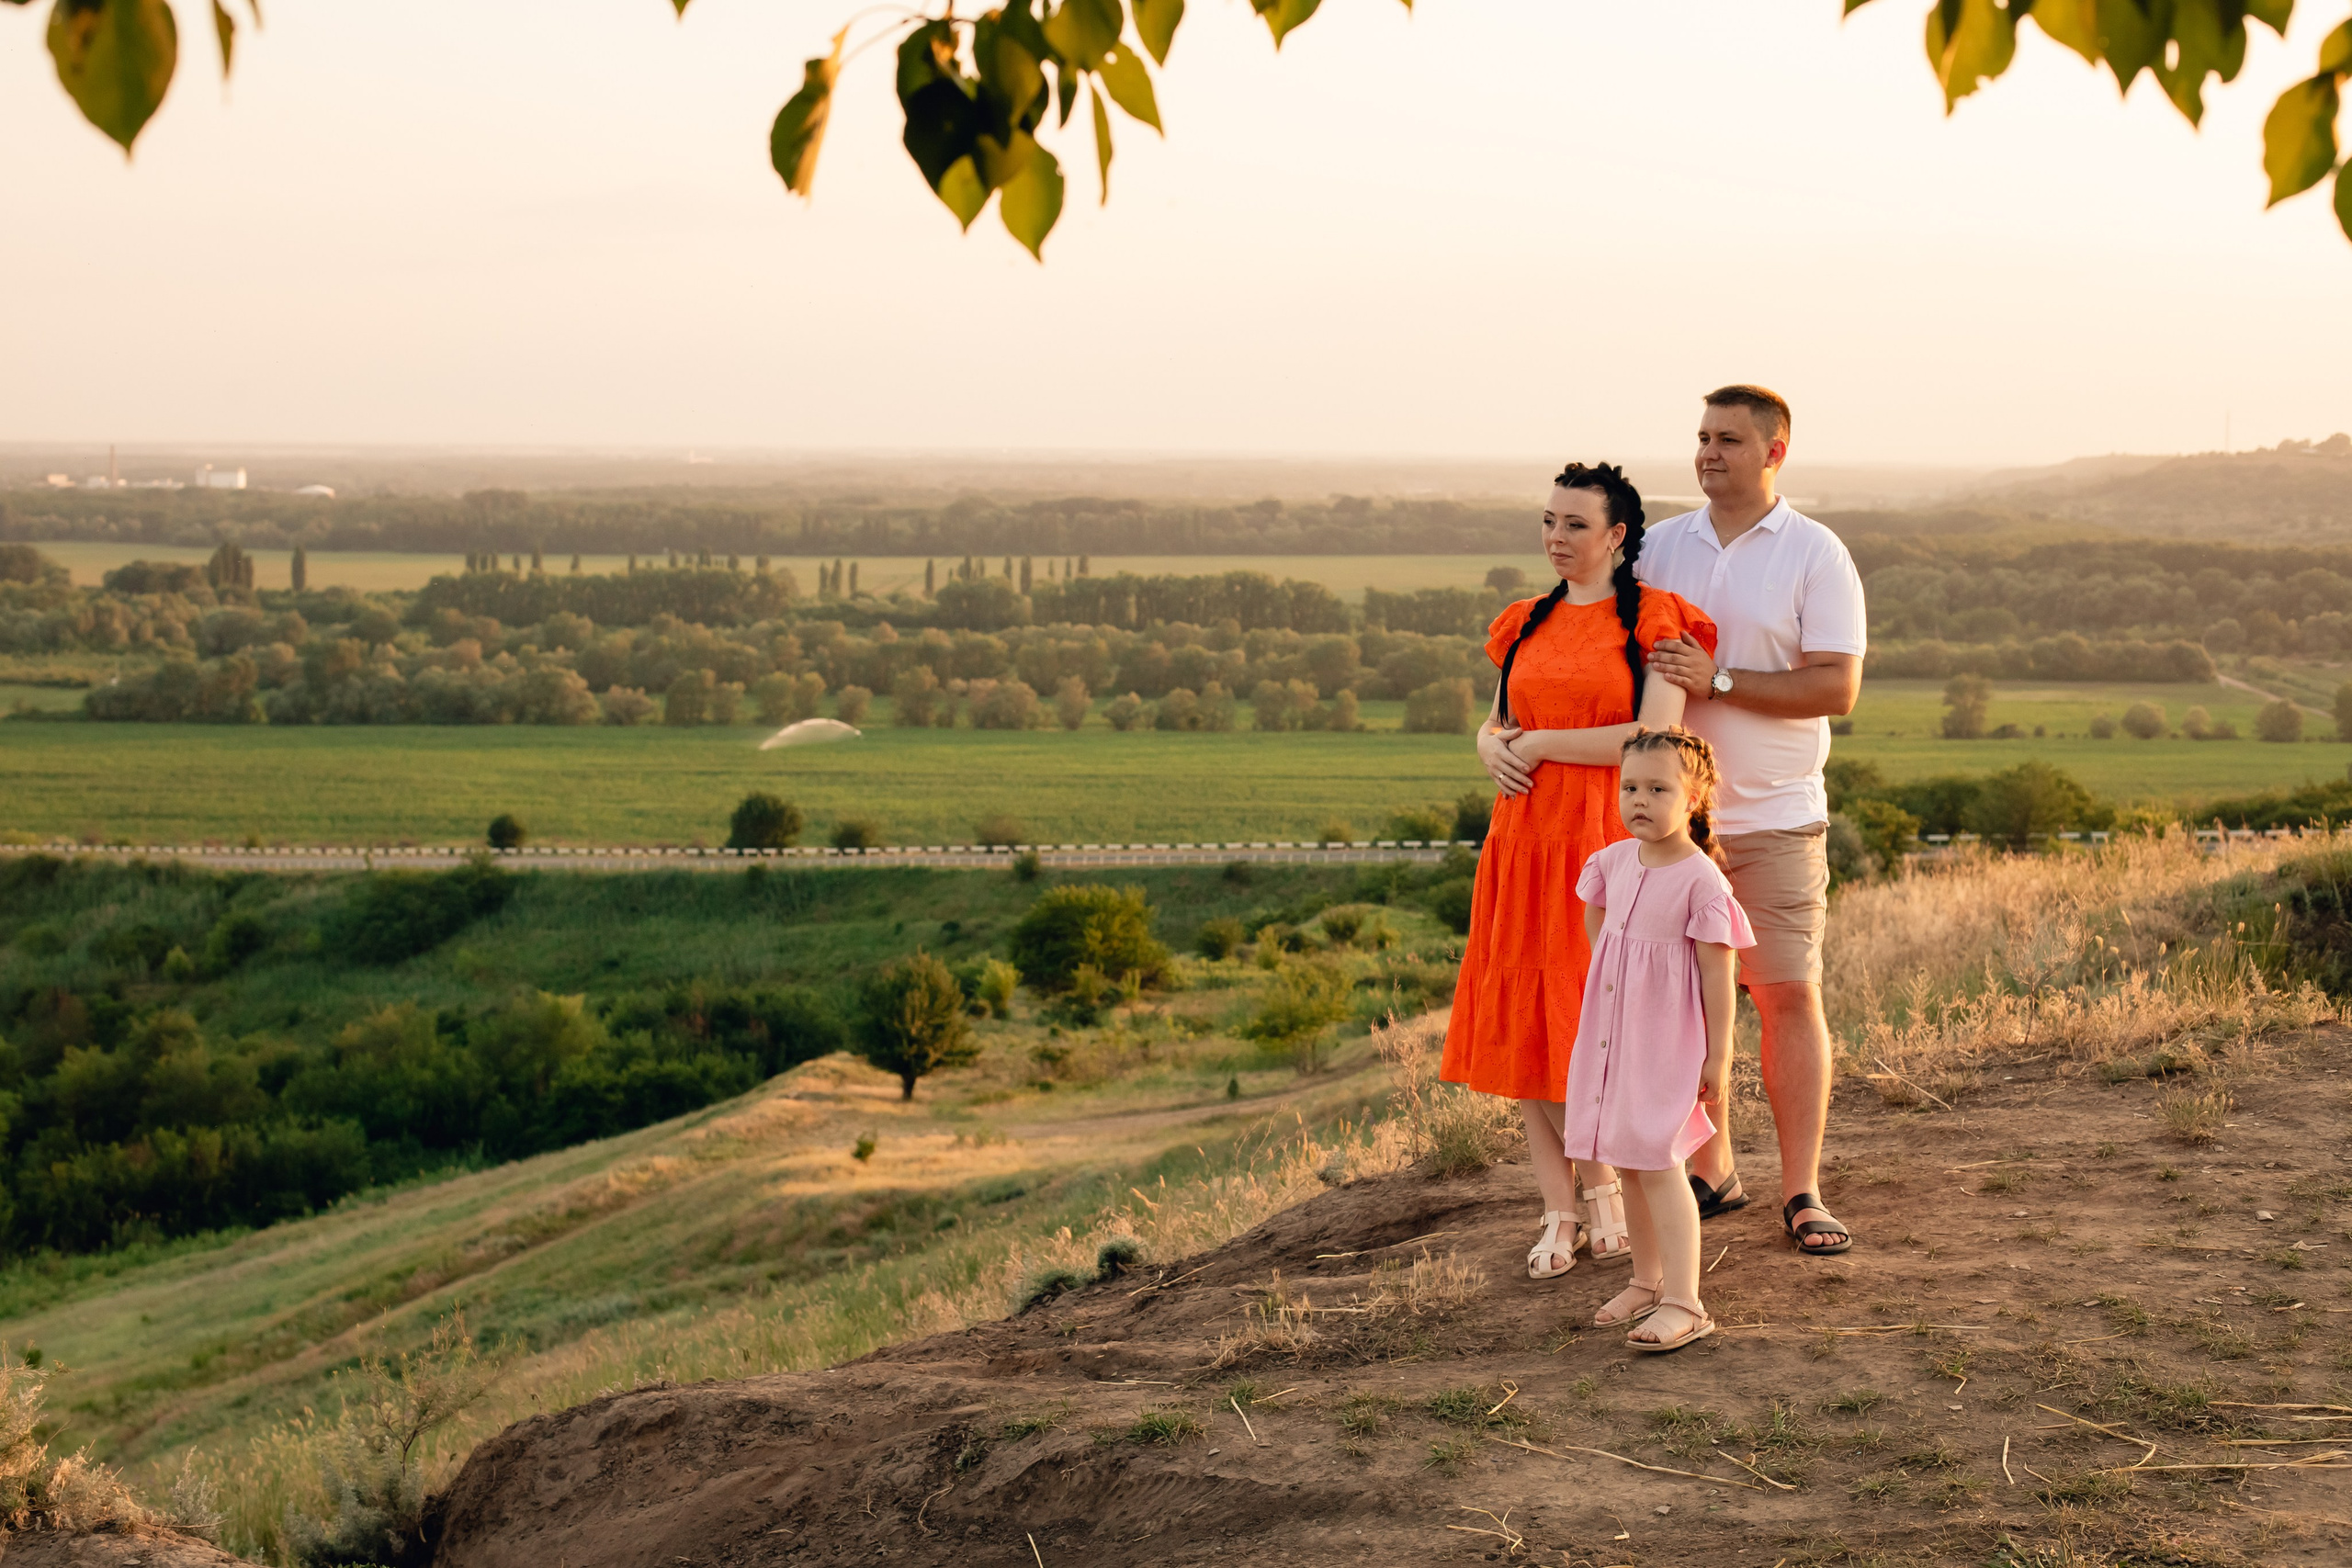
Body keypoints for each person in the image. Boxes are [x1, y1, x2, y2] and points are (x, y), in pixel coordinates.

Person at [1442, 462, 1718, 1280]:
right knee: (1533, 1018)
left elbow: (1654, 740)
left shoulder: (1657, 624)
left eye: (1575, 524)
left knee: (1592, 1018)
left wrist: (1540, 744)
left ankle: (1603, 1195)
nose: (1557, 539)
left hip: (1602, 840)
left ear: (1617, 536)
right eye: (1549, 522)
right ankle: (1560, 1209)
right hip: (1521, 840)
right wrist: (1492, 744)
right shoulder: (1523, 621)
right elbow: (1499, 722)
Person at [1641, 385, 1866, 1257]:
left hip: (1775, 818)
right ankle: (1713, 1169)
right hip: (1672, 825)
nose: (1707, 452)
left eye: (1728, 439)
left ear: (1775, 451)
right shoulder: (1658, 546)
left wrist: (1718, 679)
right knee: (1681, 1010)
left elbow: (1836, 688)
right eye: (1701, 437)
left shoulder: (1816, 553)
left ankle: (1804, 1189)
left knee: (1785, 994)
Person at [1565, 728, 1752, 1351]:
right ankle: (1646, 1281)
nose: (1639, 799)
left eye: (1658, 788)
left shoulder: (1702, 881)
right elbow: (1600, 922)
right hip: (1613, 1040)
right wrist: (1616, 974)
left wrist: (1718, 1052)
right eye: (1630, 787)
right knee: (1626, 1157)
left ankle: (1685, 1300)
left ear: (1694, 797)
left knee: (1662, 1161)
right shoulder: (1614, 862)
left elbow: (1717, 974)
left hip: (1667, 1045)